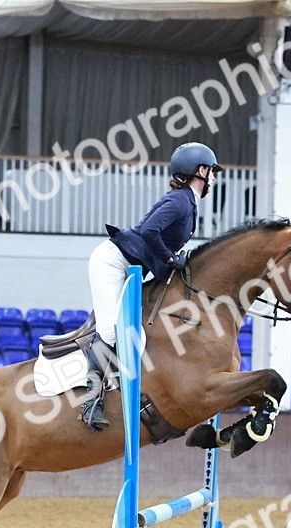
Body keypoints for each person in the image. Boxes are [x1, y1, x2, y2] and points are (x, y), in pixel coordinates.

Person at [79, 141, 222, 430]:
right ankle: (90, 401)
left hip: (132, 268)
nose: (215, 178)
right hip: (112, 262)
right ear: (201, 171)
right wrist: (170, 258)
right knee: (110, 329)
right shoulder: (180, 200)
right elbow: (149, 230)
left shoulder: (187, 202)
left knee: (139, 331)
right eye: (212, 171)